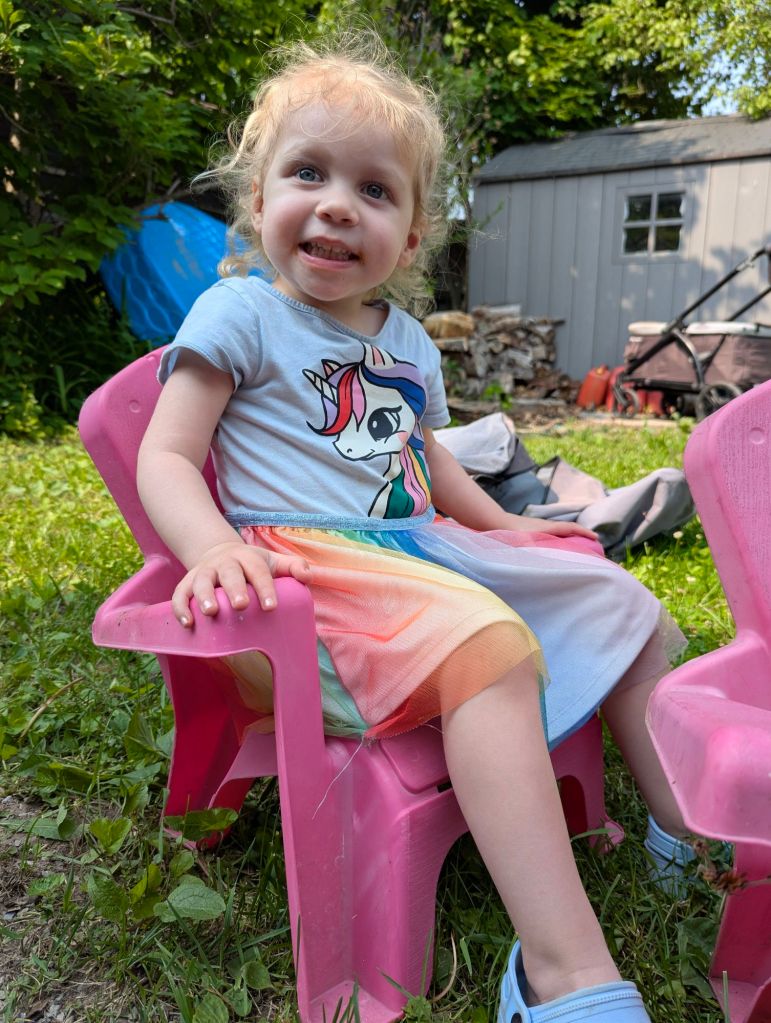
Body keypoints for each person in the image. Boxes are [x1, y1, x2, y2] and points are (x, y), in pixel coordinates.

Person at [137, 32, 695, 1023]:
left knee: (624, 599)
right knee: (488, 648)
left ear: (410, 232)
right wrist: (212, 546)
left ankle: (686, 834)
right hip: (305, 579)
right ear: (258, 200)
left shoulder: (401, 341)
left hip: (417, 553)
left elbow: (425, 460)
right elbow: (167, 455)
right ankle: (562, 970)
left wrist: (510, 527)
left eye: (374, 189)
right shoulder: (240, 314)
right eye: (307, 174)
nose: (337, 204)